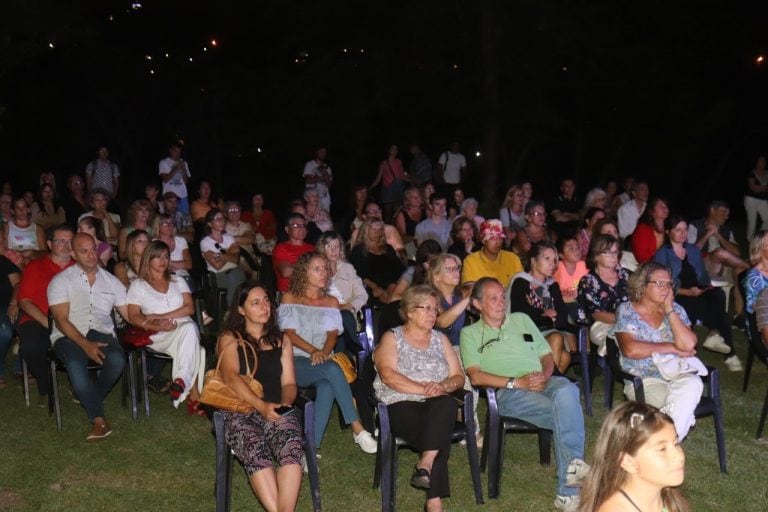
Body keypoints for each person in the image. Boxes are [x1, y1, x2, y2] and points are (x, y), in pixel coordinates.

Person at [460, 277, 587, 512]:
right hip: (509, 392)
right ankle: (570, 489)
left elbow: (546, 355)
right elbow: (476, 376)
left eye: (502, 297)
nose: (501, 303)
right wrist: (516, 382)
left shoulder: (521, 320)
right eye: (493, 299)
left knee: (569, 390)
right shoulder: (470, 334)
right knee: (569, 411)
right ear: (477, 304)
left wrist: (545, 376)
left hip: (542, 381)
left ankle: (569, 492)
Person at [373, 285, 466, 512]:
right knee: (439, 430)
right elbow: (388, 376)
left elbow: (458, 377)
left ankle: (425, 464)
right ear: (410, 311)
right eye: (426, 308)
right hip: (400, 402)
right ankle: (434, 501)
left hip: (437, 402)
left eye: (435, 309)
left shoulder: (440, 339)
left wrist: (443, 385)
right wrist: (423, 389)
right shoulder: (392, 337)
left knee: (445, 404)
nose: (433, 314)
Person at [217, 282, 303, 511]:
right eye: (255, 303)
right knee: (256, 452)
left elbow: (290, 382)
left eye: (266, 300)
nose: (264, 306)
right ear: (241, 310)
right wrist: (261, 406)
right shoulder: (230, 338)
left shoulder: (282, 339)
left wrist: (284, 404)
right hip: (241, 410)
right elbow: (231, 377)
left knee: (291, 448)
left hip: (276, 407)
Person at [278, 253, 377, 452]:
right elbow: (289, 334)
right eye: (317, 269)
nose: (324, 272)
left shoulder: (331, 302)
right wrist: (315, 351)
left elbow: (333, 334)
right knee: (332, 369)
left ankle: (310, 451)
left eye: (325, 268)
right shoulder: (290, 298)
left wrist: (323, 352)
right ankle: (357, 428)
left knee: (327, 386)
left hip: (322, 360)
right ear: (303, 273)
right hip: (294, 361)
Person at [48, 233, 129, 441]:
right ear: (73, 254)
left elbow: (130, 315)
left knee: (118, 359)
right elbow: (61, 320)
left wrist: (153, 320)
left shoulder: (112, 281)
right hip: (68, 333)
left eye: (93, 249)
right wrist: (85, 345)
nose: (91, 255)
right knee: (75, 361)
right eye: (84, 251)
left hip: (100, 331)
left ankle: (90, 396)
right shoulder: (60, 281)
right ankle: (99, 419)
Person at [610, 262, 703, 440]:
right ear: (643, 285)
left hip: (677, 372)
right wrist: (670, 347)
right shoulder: (627, 310)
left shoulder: (677, 311)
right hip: (645, 377)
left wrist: (669, 310)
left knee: (693, 383)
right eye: (659, 283)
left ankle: (669, 439)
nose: (666, 288)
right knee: (660, 414)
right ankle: (671, 440)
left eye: (669, 284)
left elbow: (689, 345)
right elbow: (631, 349)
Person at [653, 215, 742, 371]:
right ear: (668, 232)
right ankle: (728, 351)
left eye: (685, 229)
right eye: (678, 230)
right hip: (676, 294)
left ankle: (715, 334)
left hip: (698, 289)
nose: (683, 233)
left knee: (718, 295)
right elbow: (660, 284)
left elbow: (703, 276)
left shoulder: (693, 250)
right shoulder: (662, 254)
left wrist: (705, 288)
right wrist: (687, 292)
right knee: (706, 307)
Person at [127, 241, 206, 413]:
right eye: (157, 256)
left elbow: (190, 308)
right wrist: (157, 324)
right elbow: (133, 316)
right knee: (193, 338)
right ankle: (190, 389)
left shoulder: (178, 280)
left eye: (166, 256)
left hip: (182, 326)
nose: (163, 260)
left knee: (189, 330)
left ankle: (185, 385)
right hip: (157, 333)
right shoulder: (138, 285)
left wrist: (162, 316)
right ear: (148, 259)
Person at [578, 402, 689, 512]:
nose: (679, 456)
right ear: (628, 462)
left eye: (676, 443)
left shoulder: (665, 498)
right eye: (662, 449)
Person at [17, 224, 74, 403]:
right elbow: (24, 301)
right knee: (32, 346)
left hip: (72, 318)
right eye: (60, 241)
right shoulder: (36, 267)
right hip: (39, 318)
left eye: (70, 241)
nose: (66, 245)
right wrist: (49, 324)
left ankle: (85, 381)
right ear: (49, 244)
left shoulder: (80, 267)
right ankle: (45, 380)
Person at [509, 241, 580, 374]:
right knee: (560, 347)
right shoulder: (521, 282)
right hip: (525, 336)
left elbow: (562, 319)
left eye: (554, 261)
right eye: (547, 259)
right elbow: (520, 315)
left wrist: (537, 314)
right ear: (533, 261)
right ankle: (550, 383)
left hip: (548, 333)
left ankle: (542, 386)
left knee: (563, 352)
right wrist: (545, 314)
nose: (551, 264)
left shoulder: (552, 286)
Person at [577, 234, 630, 354]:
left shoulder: (626, 275)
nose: (613, 256)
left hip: (632, 322)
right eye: (607, 252)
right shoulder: (588, 281)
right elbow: (595, 314)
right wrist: (625, 320)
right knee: (620, 337)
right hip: (602, 325)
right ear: (596, 255)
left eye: (615, 252)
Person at [316, 232, 368, 353]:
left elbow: (362, 295)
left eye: (337, 246)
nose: (334, 250)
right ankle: (353, 347)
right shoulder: (316, 269)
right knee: (337, 319)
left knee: (343, 316)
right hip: (324, 313)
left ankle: (343, 355)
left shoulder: (347, 268)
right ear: (322, 249)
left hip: (347, 311)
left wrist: (346, 306)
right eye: (329, 246)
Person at [349, 219, 405, 304]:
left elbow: (399, 269)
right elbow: (359, 274)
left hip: (393, 284)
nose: (377, 232)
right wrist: (374, 287)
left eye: (379, 230)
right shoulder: (359, 250)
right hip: (372, 287)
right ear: (366, 230)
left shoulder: (387, 248)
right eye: (374, 229)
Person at [201, 208, 247, 306]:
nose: (221, 222)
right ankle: (233, 309)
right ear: (210, 223)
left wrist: (221, 255)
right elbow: (217, 265)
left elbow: (236, 259)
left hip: (234, 271)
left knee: (236, 274)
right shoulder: (205, 242)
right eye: (218, 219)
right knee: (236, 276)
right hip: (216, 275)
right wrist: (230, 252)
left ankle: (232, 310)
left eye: (223, 219)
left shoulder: (229, 237)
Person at [461, 219, 523, 288]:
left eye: (500, 238)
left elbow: (521, 286)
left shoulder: (512, 258)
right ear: (483, 240)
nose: (498, 242)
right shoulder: (470, 261)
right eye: (493, 238)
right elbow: (468, 291)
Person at [272, 212, 315, 293]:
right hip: (289, 293)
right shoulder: (281, 248)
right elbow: (286, 272)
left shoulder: (312, 248)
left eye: (303, 225)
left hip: (310, 292)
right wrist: (313, 269)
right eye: (296, 225)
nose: (301, 228)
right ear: (287, 229)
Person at [3, 196, 46, 267]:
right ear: (13, 211)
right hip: (14, 262)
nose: (21, 210)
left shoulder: (38, 228)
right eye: (18, 208)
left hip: (33, 261)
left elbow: (45, 252)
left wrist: (32, 253)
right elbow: (4, 249)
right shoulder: (6, 227)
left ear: (28, 209)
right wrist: (21, 254)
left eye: (24, 207)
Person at [369, 144, 408, 222]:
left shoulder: (399, 161)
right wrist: (370, 187)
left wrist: (413, 180)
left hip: (398, 190)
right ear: (389, 150)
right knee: (387, 214)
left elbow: (402, 176)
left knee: (397, 213)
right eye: (393, 149)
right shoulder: (383, 163)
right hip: (388, 191)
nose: (395, 151)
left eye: (396, 149)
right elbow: (378, 178)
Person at [553, 234, 588, 321]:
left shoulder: (583, 265)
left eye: (577, 247)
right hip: (563, 303)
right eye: (571, 249)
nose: (576, 251)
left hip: (580, 301)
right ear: (561, 255)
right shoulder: (558, 268)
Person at [154, 213, 192, 287]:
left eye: (171, 223)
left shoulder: (181, 240)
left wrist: (169, 263)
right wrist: (179, 264)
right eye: (165, 223)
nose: (169, 226)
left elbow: (189, 264)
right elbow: (155, 265)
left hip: (182, 276)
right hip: (161, 277)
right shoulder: (154, 243)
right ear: (158, 226)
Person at [0, 254, 20, 388]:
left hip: (5, 306)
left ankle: (21, 367)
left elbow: (18, 283)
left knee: (4, 331)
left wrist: (14, 303)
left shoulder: (2, 261)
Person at [630, 197, 669, 264]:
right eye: (660, 206)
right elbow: (642, 257)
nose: (665, 208)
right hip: (651, 267)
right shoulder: (643, 229)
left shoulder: (670, 228)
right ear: (651, 211)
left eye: (666, 206)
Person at [159, 142, 191, 214]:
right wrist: (175, 168)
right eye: (175, 151)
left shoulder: (184, 163)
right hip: (169, 197)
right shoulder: (164, 162)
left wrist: (184, 169)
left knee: (184, 219)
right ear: (170, 150)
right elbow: (165, 179)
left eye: (179, 152)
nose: (178, 154)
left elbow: (186, 181)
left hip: (182, 196)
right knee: (168, 218)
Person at [303, 146, 333, 213]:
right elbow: (308, 180)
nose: (323, 153)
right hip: (312, 196)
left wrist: (325, 172)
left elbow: (329, 185)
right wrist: (321, 178)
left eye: (325, 152)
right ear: (316, 152)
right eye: (321, 151)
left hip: (325, 197)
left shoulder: (327, 168)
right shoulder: (310, 164)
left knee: (325, 216)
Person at [744, 155, 768, 239]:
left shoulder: (767, 173)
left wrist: (761, 188)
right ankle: (750, 240)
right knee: (752, 221)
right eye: (760, 161)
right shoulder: (752, 173)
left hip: (763, 200)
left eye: (764, 161)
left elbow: (758, 188)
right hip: (751, 199)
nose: (762, 163)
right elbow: (753, 188)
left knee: (767, 219)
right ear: (757, 162)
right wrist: (764, 188)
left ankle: (760, 237)